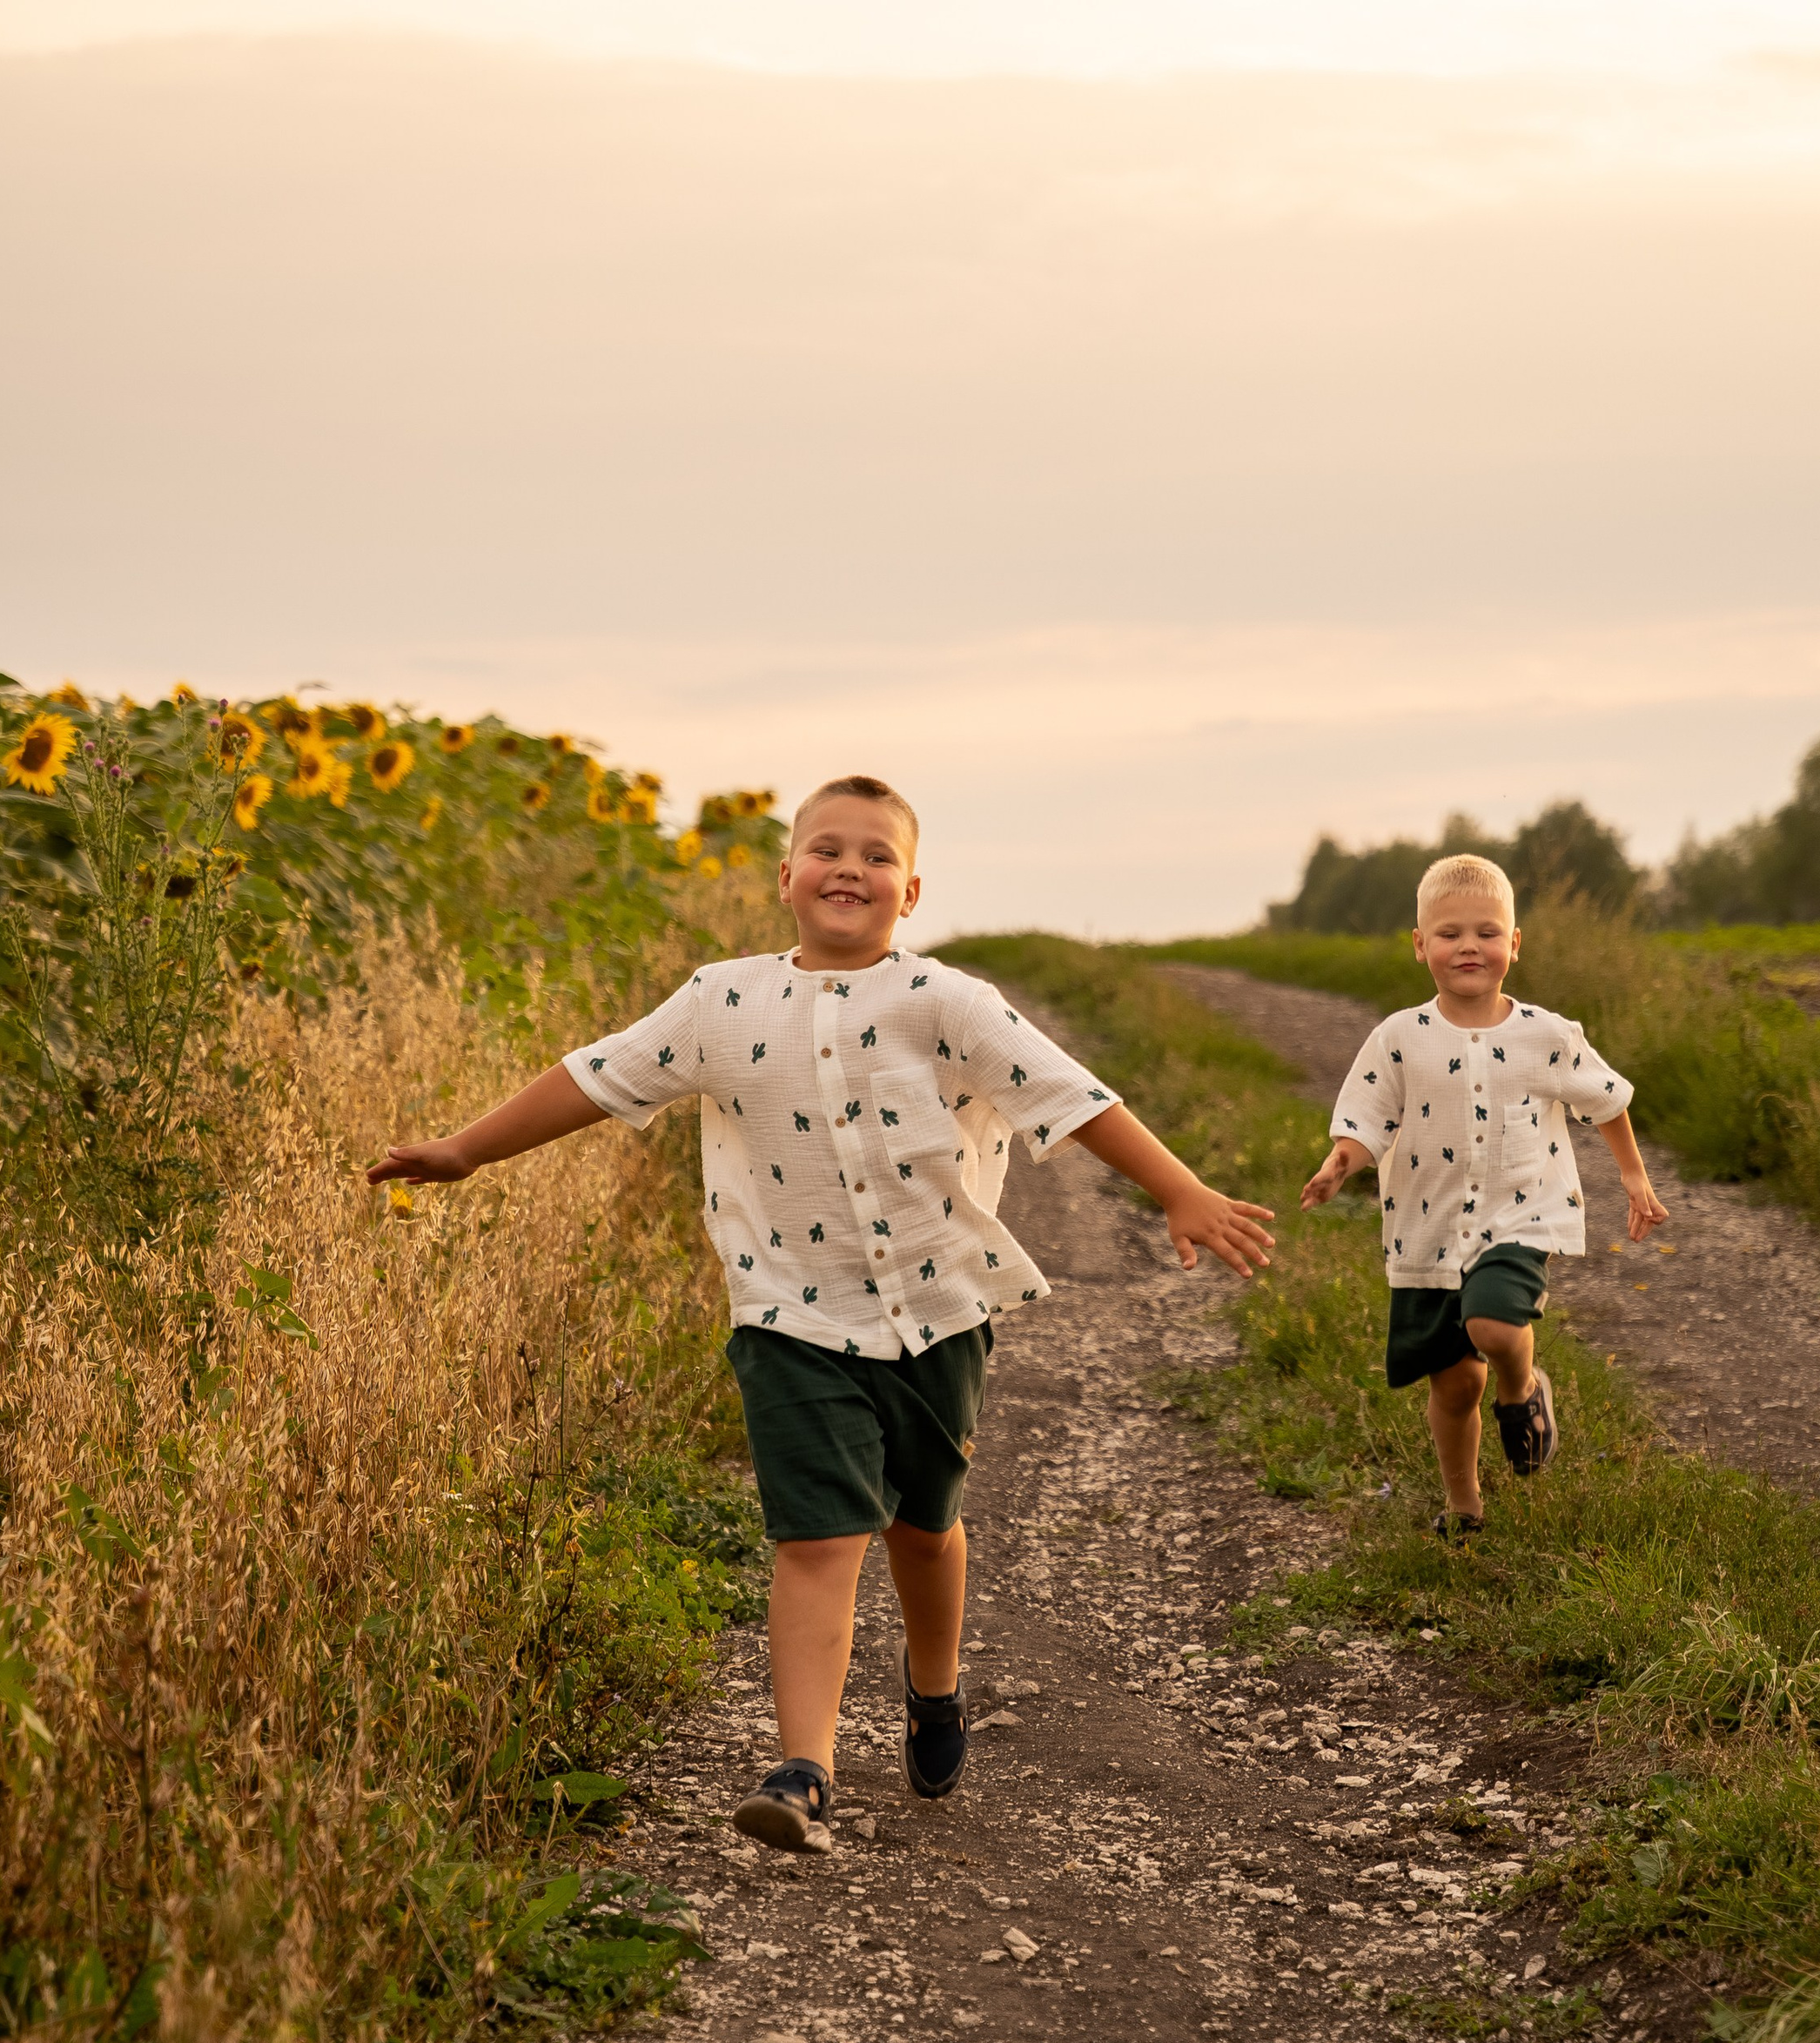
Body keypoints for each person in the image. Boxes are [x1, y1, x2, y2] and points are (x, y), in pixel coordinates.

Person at [368, 775, 1274, 1849]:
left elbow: (1070, 1095)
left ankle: (932, 1688)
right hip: (788, 1317)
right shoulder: (720, 1001)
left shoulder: (949, 1001)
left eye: (877, 856)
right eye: (828, 850)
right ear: (786, 877)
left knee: (923, 1528)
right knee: (817, 1538)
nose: (851, 868)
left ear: (912, 890)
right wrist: (468, 1148)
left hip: (937, 1312)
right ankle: (803, 1768)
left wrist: (1177, 1189)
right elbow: (596, 1077)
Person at [1299, 850, 1663, 1533]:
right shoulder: (1399, 1038)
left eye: (1488, 932)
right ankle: (1463, 1507)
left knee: (1494, 1324)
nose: (1470, 946)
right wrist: (1341, 1162)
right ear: (1419, 946)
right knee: (1457, 1381)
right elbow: (1366, 1116)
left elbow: (1606, 1100)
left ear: (1514, 944)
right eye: (1450, 933)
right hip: (1427, 1229)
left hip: (1520, 1215)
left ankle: (1524, 1391)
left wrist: (1634, 1175)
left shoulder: (1547, 1035)